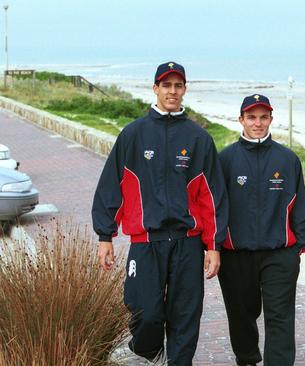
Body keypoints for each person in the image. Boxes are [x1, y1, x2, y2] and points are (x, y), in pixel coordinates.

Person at [92, 61, 228, 365]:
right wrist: (105, 236)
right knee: (146, 313)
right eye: (166, 85)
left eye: (178, 86)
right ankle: (148, 350)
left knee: (185, 319)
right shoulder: (133, 135)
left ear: (184, 90)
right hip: (146, 242)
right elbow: (110, 187)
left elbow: (212, 198)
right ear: (155, 89)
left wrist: (213, 246)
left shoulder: (198, 138)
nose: (172, 91)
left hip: (188, 243)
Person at [217, 94, 305, 366]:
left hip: (279, 255)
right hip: (236, 255)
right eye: (251, 117)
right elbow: (215, 206)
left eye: (263, 117)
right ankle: (247, 359)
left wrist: (300, 245)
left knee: (280, 316)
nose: (257, 123)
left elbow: (300, 203)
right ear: (241, 120)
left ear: (271, 119)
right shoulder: (225, 160)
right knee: (241, 314)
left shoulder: (287, 159)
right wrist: (212, 245)